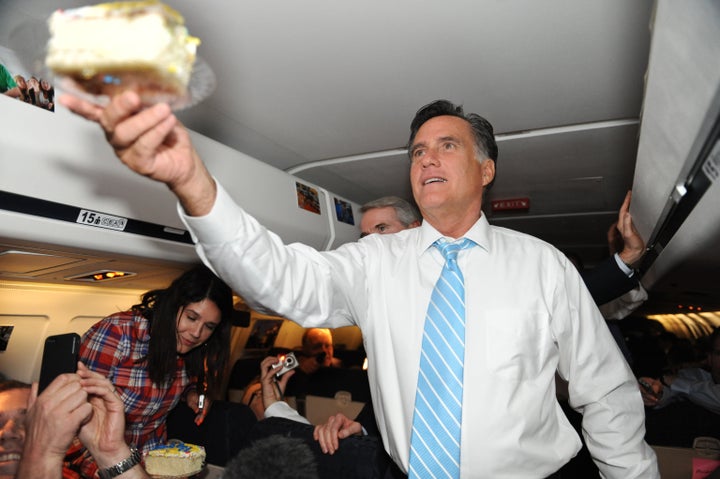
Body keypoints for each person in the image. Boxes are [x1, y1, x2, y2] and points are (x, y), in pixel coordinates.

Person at [60, 93, 659, 477]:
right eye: (418, 150)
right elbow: (279, 276)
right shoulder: (377, 261)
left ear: (486, 169)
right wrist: (194, 184)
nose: (426, 159)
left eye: (446, 146)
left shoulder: (543, 265)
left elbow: (606, 394)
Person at [63, 264, 234, 477]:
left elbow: (185, 382)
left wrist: (192, 394)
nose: (196, 333)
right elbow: (73, 419)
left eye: (209, 327)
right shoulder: (118, 333)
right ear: (173, 305)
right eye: (191, 317)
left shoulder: (191, 350)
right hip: (96, 462)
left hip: (154, 463)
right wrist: (108, 470)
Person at [1, 364, 149, 479]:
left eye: (27, 422)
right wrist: (40, 453)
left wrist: (111, 453)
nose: (7, 432)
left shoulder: (71, 470)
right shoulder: (44, 456)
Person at [639, 327, 720, 414]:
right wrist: (654, 392)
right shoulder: (698, 376)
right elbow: (669, 390)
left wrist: (674, 382)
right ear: (709, 357)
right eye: (719, 354)